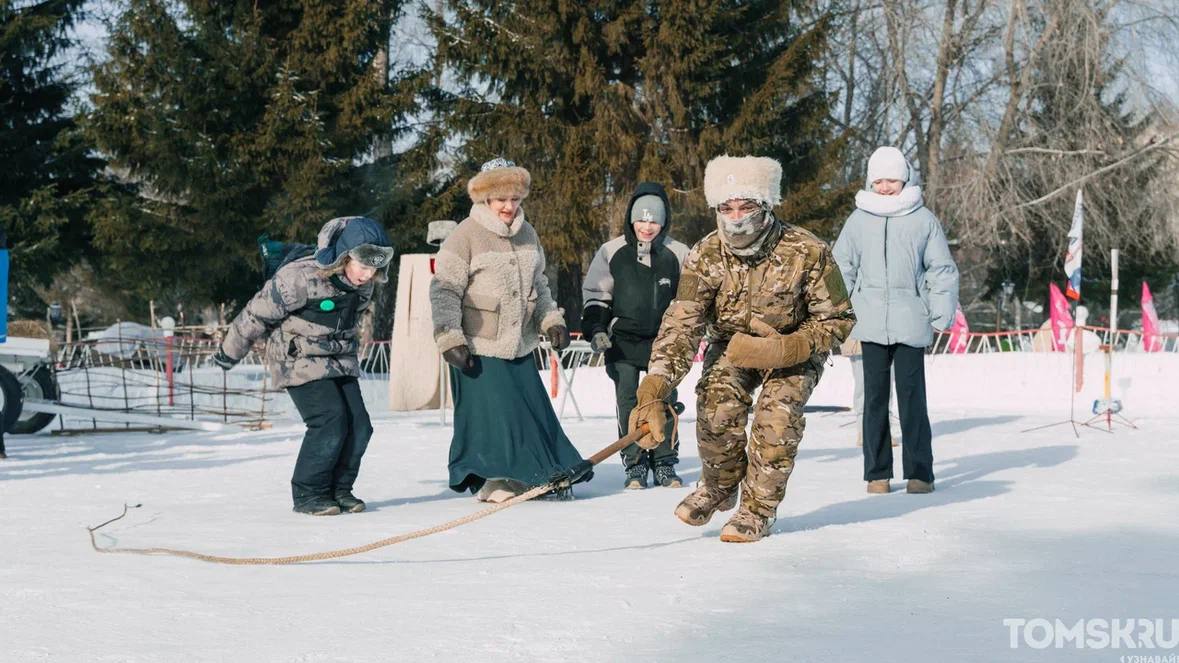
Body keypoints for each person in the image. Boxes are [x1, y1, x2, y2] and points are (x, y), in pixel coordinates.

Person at [629, 155, 855, 543]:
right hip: (732, 346)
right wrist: (656, 385)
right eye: (726, 208)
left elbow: (838, 318)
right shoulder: (707, 253)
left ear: (766, 205)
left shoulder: (807, 250)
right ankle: (719, 485)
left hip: (793, 350)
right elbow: (683, 321)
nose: (735, 217)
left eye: (746, 206)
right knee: (717, 405)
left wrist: (791, 348)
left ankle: (756, 510)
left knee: (776, 419)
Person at [430, 158, 588, 503]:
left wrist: (551, 320)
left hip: (518, 344)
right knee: (496, 418)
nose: (508, 206)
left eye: (515, 198)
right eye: (501, 199)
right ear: (485, 199)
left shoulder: (527, 234)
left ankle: (530, 475)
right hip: (478, 346)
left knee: (527, 414)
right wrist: (449, 336)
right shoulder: (465, 236)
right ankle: (497, 480)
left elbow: (539, 286)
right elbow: (444, 289)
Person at [213, 216, 394, 516]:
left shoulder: (364, 287)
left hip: (337, 359)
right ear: (344, 256)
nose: (366, 275)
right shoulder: (299, 278)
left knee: (360, 425)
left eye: (373, 268)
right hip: (296, 357)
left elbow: (351, 321)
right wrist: (229, 352)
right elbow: (256, 314)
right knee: (330, 420)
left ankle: (340, 489)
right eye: (362, 266)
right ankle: (309, 492)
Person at [832, 146, 959, 495]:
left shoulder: (922, 219)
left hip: (910, 319)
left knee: (911, 398)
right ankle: (877, 473)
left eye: (892, 180)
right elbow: (841, 266)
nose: (886, 187)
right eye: (879, 181)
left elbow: (941, 268)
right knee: (874, 400)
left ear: (904, 179)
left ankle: (920, 473)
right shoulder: (858, 220)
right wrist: (839, 309)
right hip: (869, 320)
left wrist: (940, 309)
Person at [581, 182, 690, 489]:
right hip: (623, 341)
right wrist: (598, 328)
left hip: (664, 343)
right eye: (641, 220)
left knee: (664, 399)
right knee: (628, 399)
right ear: (631, 219)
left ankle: (665, 462)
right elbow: (596, 295)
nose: (647, 226)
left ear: (664, 221)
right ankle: (635, 463)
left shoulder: (679, 253)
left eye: (654, 220)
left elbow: (691, 300)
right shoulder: (611, 251)